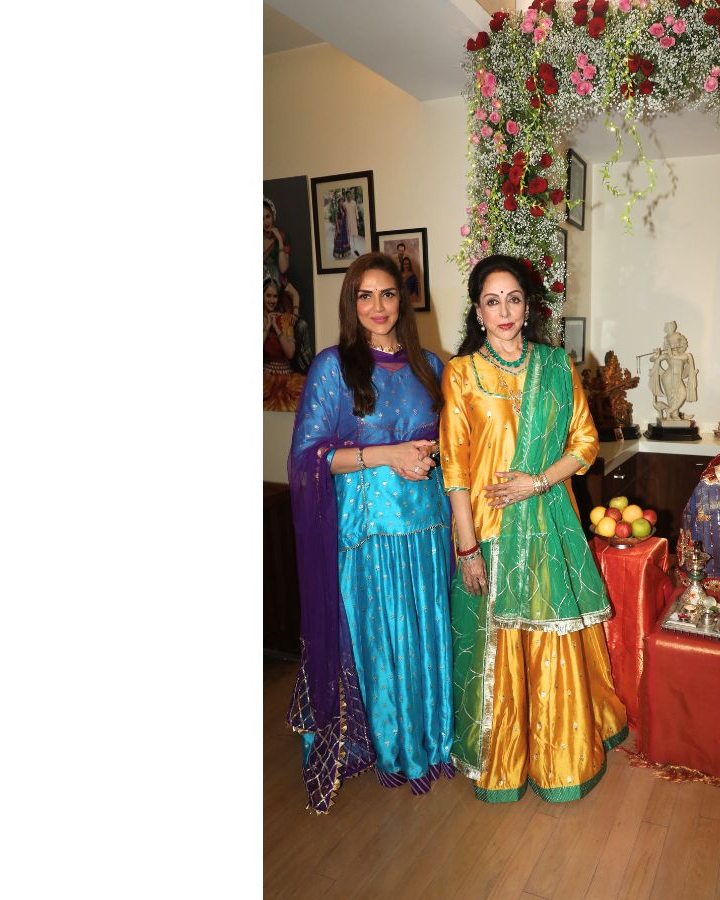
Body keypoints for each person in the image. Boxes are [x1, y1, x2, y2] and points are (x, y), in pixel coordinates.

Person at [440, 254, 628, 804]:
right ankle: (504, 762)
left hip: (548, 525)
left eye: (513, 299)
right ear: (478, 312)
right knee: (497, 650)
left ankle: (558, 760)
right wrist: (467, 547)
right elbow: (455, 468)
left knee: (549, 644)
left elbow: (585, 444)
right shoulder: (461, 374)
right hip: (490, 532)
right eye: (492, 301)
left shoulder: (556, 365)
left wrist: (538, 482)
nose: (504, 311)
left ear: (528, 307)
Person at [286, 252, 455, 811]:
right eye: (365, 295)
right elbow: (310, 456)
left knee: (426, 634)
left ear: (402, 301)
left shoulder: (430, 365)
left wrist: (429, 455)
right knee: (384, 639)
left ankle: (433, 740)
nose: (377, 306)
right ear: (351, 303)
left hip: (426, 529)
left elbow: (451, 442)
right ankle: (390, 746)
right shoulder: (334, 367)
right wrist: (388, 454)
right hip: (370, 535)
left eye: (387, 294)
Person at [263, 274, 308, 411]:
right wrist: (267, 327)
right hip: (265, 379)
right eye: (268, 296)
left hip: (287, 380)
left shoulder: (286, 319)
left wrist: (276, 327)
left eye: (275, 296)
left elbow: (290, 353)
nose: (272, 300)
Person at [264, 198, 289, 285]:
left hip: (277, 282)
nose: (265, 222)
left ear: (273, 215)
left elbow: (283, 268)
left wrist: (279, 240)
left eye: (268, 216)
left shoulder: (283, 237)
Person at [332, 194, 350, 260]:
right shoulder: (337, 209)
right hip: (339, 226)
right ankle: (338, 254)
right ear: (338, 202)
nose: (341, 202)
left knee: (344, 239)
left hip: (344, 226)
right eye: (340, 201)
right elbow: (336, 219)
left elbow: (346, 217)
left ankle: (344, 253)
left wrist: (347, 226)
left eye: (342, 201)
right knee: (338, 239)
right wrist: (338, 228)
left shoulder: (344, 209)